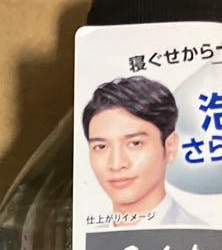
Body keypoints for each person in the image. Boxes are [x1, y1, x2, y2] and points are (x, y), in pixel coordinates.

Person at [82, 76, 202, 226]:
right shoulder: (86, 234)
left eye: (135, 143)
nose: (116, 164)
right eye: (101, 147)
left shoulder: (196, 232)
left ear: (170, 147)